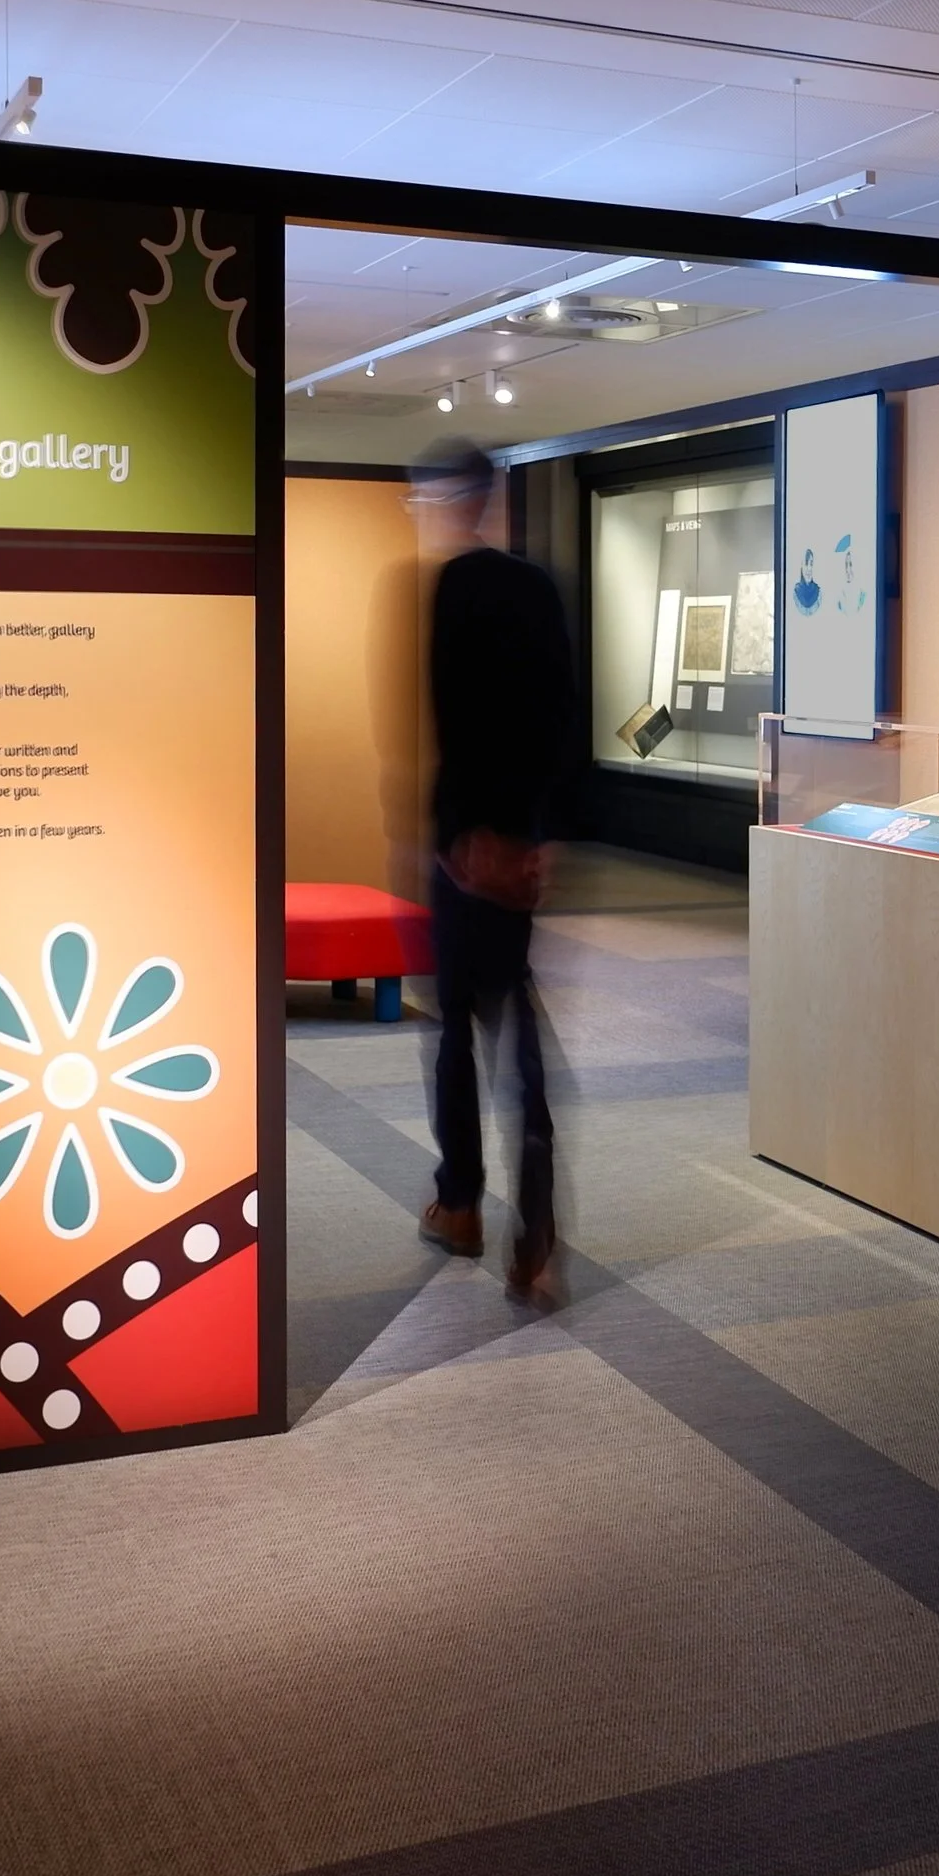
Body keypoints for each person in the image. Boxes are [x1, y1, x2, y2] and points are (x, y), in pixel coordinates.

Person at [414, 440, 575, 1296]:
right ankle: (538, 1234)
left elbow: (451, 717)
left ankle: (462, 1203)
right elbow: (559, 719)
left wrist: (457, 833)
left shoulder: (452, 586)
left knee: (453, 1026)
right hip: (519, 842)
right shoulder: (540, 588)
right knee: (517, 1024)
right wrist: (539, 835)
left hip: (466, 843)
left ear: (453, 498)